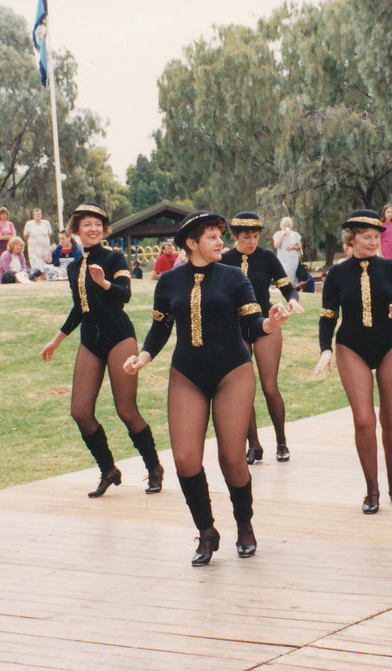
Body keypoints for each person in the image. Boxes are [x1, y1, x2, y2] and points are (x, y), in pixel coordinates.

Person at [124, 211, 290, 566]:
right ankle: (206, 530)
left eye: (220, 236)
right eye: (213, 237)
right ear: (191, 243)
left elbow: (252, 324)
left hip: (233, 369)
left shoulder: (233, 278)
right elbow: (160, 328)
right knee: (185, 459)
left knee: (231, 457)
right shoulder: (168, 282)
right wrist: (143, 357)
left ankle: (244, 524)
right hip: (187, 373)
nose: (220, 242)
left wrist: (271, 323)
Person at [41, 203, 165, 497]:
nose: (93, 229)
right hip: (90, 340)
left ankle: (154, 467)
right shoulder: (73, 267)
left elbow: (125, 294)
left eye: (98, 224)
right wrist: (57, 339)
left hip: (119, 337)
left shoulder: (114, 257)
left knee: (125, 409)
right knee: (80, 411)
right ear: (76, 230)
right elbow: (79, 308)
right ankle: (108, 469)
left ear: (104, 229)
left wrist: (104, 282)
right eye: (87, 224)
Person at [314, 209, 392, 514]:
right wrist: (325, 349)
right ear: (352, 239)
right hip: (352, 347)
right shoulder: (336, 274)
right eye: (367, 237)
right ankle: (371, 489)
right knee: (363, 419)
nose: (373, 242)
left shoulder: (391, 268)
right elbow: (328, 316)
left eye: (377, 236)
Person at [220, 211, 305, 464]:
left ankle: (281, 441)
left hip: (266, 324)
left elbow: (288, 287)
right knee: (243, 390)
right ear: (235, 236)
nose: (252, 242)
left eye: (256, 236)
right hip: (236, 328)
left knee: (269, 387)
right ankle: (254, 445)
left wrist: (292, 300)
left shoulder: (267, 257)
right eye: (246, 237)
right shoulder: (223, 260)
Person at [23, 208, 53, 272]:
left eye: (39, 214)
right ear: (33, 215)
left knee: (45, 263)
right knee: (35, 264)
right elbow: (26, 235)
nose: (38, 216)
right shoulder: (29, 224)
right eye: (36, 214)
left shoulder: (46, 223)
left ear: (41, 215)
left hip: (44, 247)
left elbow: (49, 234)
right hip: (33, 248)